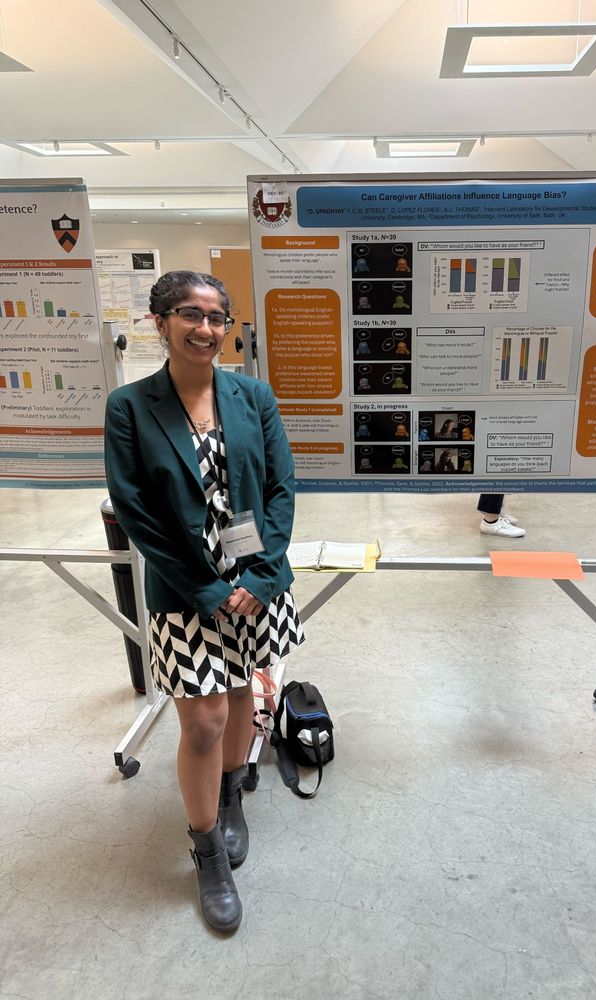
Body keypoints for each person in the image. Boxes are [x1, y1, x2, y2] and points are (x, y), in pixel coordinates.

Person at [104, 271, 304, 933]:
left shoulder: (253, 397)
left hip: (255, 586)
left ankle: (229, 795)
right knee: (204, 722)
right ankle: (206, 848)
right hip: (185, 592)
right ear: (159, 322)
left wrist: (264, 575)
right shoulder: (130, 408)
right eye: (190, 314)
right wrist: (209, 589)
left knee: (244, 692)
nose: (206, 329)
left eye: (218, 317)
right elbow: (138, 513)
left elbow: (280, 491)